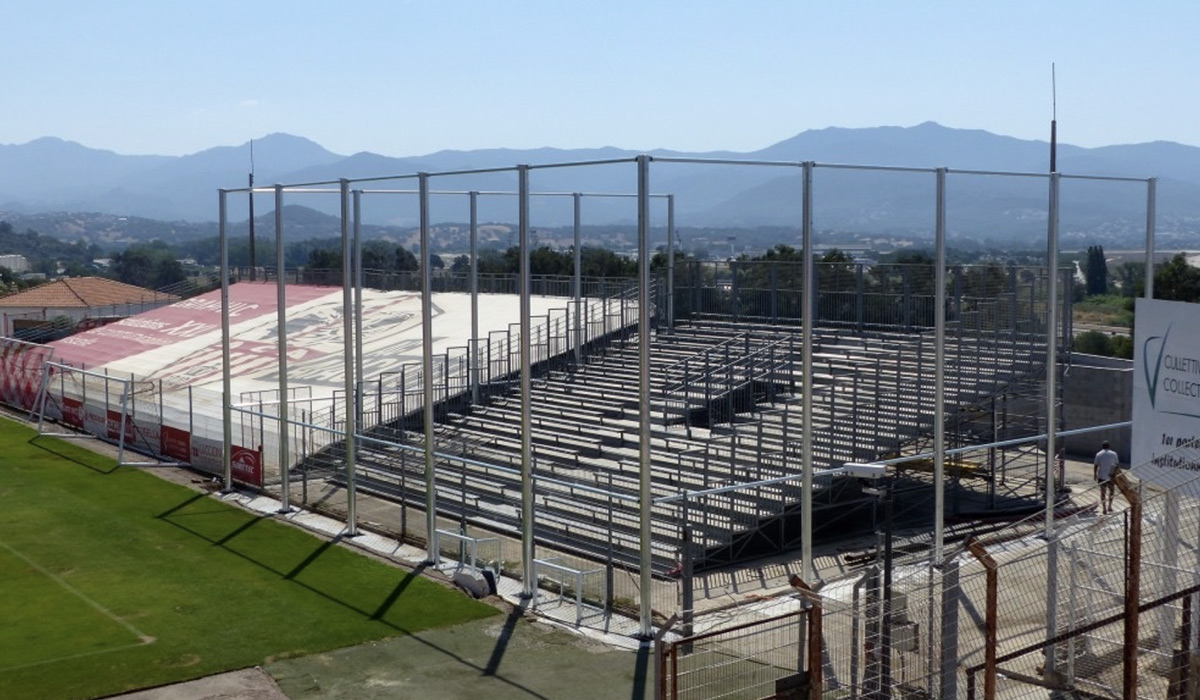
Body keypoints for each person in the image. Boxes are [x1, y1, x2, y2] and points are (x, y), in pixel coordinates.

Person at [1093, 441, 1120, 514]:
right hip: (1111, 476)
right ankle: (1110, 507)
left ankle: (1104, 508)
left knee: (1103, 493)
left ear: (1102, 446)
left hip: (1102, 476)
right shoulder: (1114, 454)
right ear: (1109, 446)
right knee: (1111, 491)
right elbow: (1117, 465)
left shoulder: (1099, 454)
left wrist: (1095, 475)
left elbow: (1096, 465)